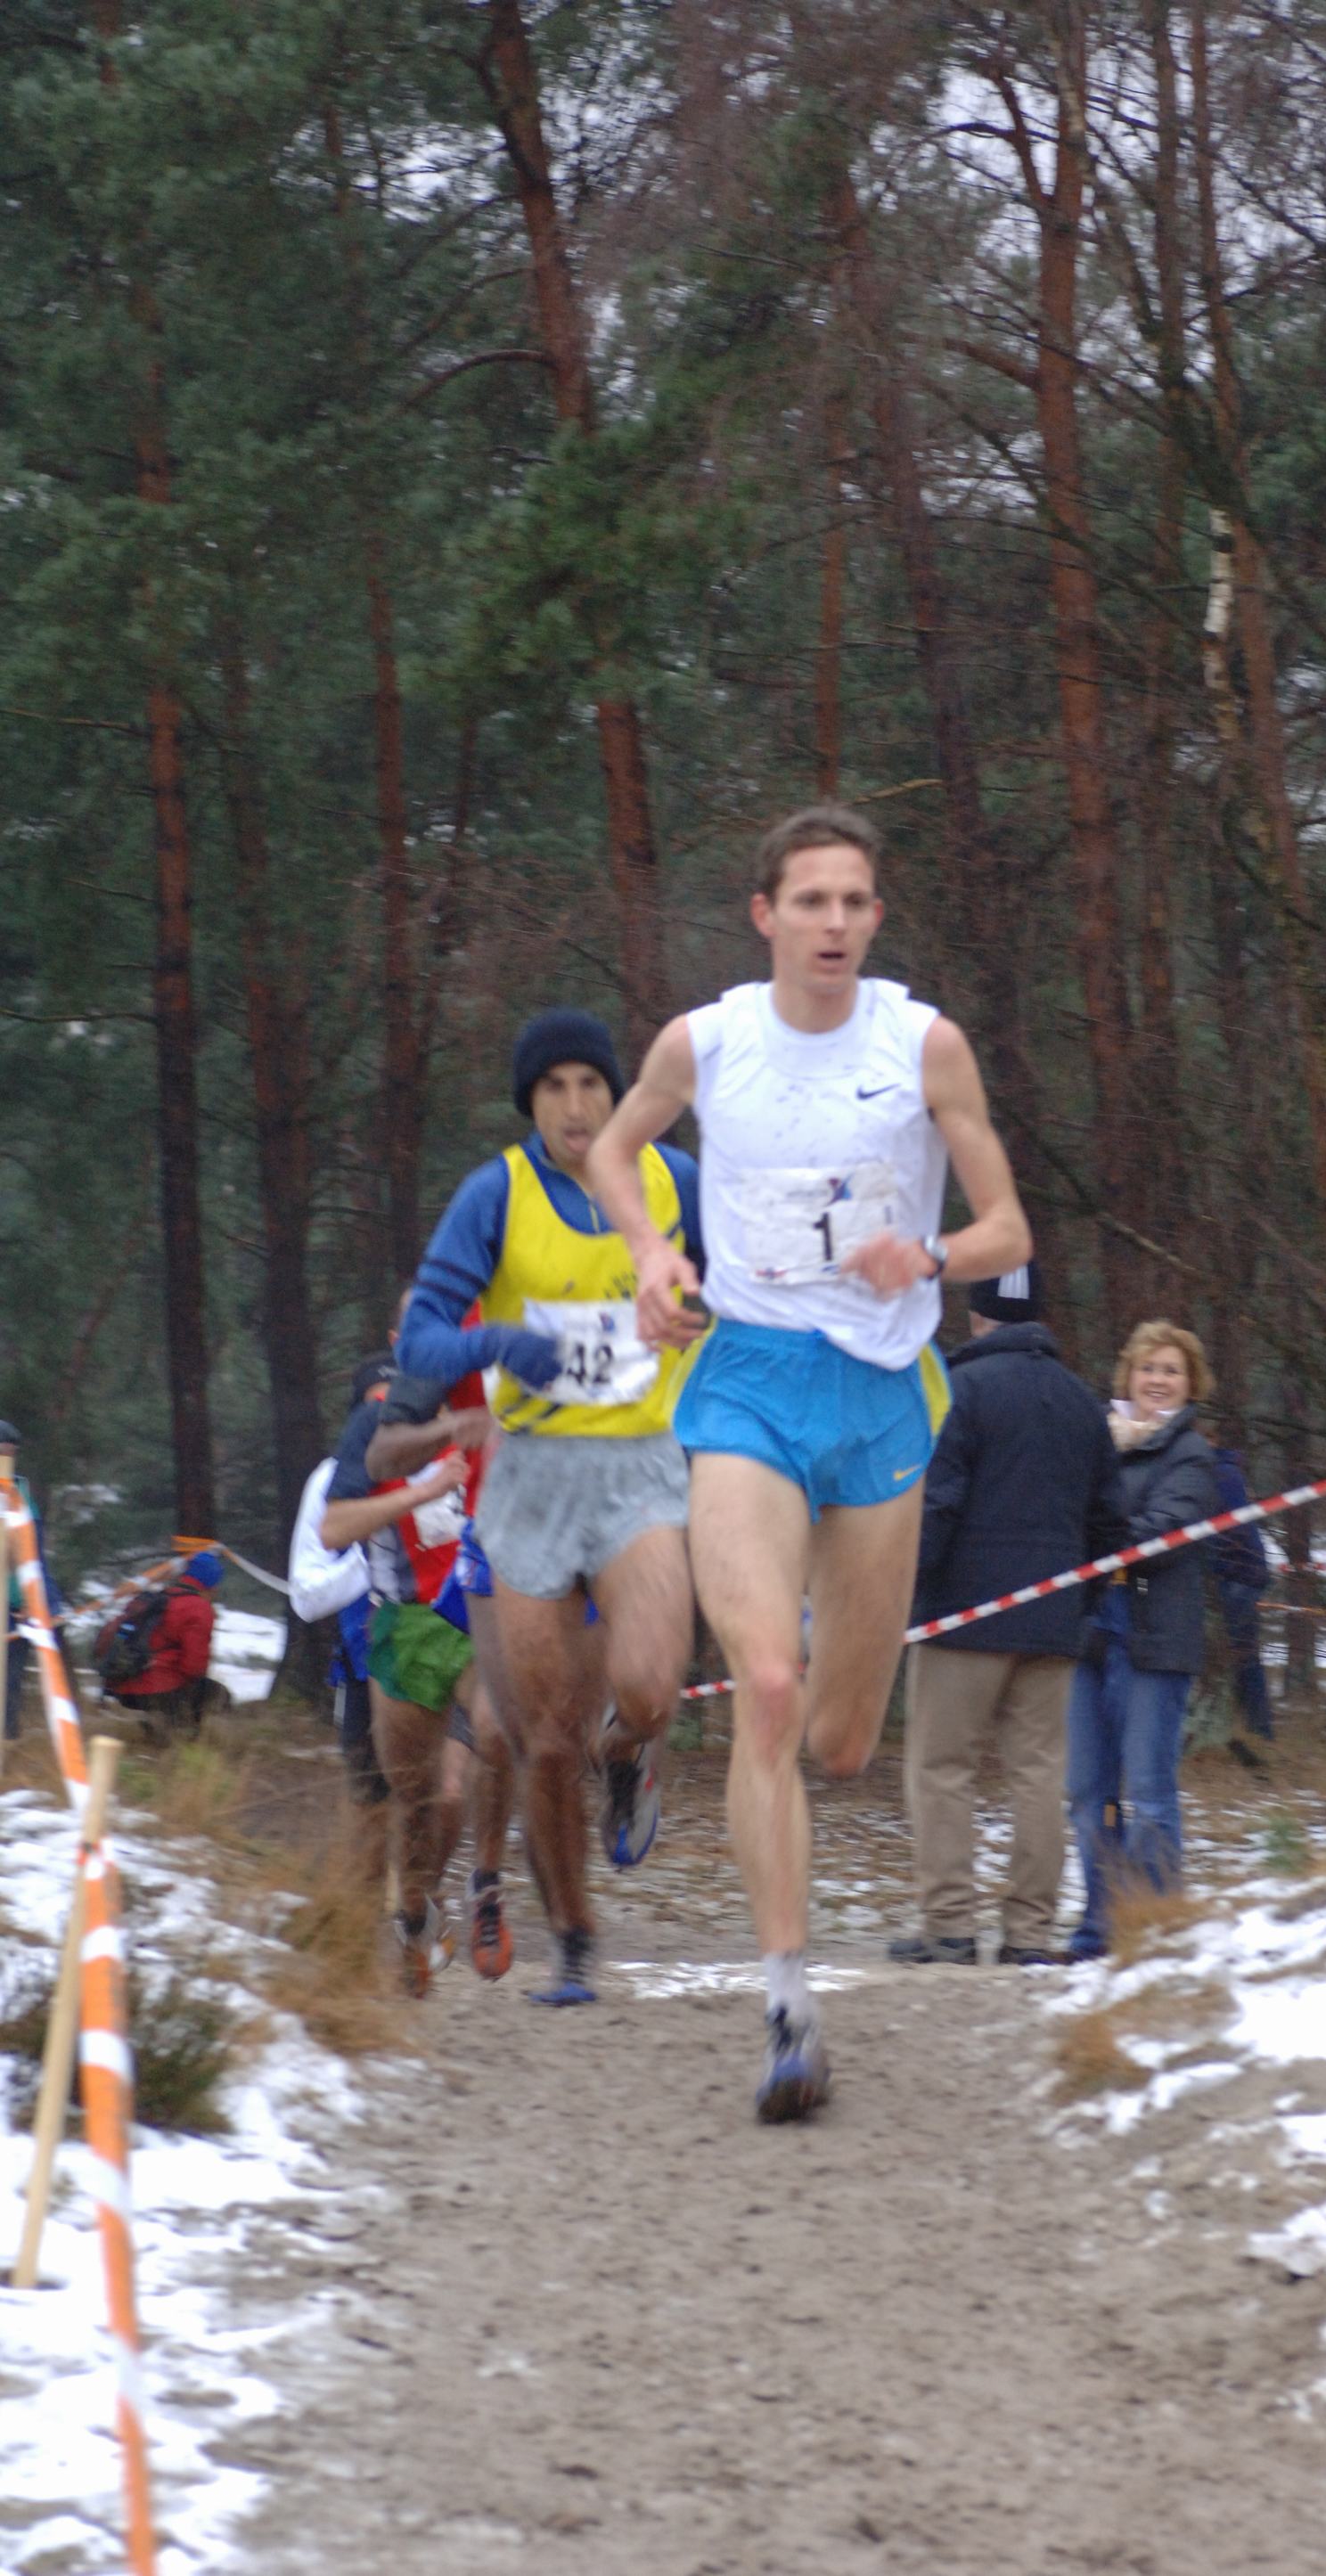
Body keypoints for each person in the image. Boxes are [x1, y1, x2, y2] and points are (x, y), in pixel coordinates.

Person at [588, 802, 1031, 2121]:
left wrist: (930, 1254)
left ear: (875, 918)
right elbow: (615, 1146)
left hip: (882, 1397)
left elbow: (1008, 1225)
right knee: (769, 1689)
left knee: (839, 1739)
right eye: (811, 900)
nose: (834, 923)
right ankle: (789, 2011)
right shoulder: (707, 1041)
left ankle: (727, 1726)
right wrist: (652, 1255)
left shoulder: (924, 1043)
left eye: (854, 901)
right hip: (749, 1382)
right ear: (765, 915)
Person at [396, 1010, 702, 2006]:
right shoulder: (495, 1194)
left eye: (591, 1085)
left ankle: (632, 1751)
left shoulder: (674, 1182)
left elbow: (742, 1296)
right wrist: (500, 1345)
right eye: (554, 1088)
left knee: (649, 1684)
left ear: (620, 1094)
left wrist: (699, 1316)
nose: (576, 1107)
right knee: (543, 1732)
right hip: (529, 1476)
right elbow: (420, 1341)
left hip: (639, 1465)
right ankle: (573, 1936)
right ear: (530, 1101)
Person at [889, 1263, 1126, 1968]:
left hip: (961, 1619)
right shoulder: (1082, 1402)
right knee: (1039, 1776)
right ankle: (1029, 1931)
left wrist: (906, 1593)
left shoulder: (959, 1391)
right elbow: (1111, 1523)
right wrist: (1077, 1604)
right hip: (1051, 1624)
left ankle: (950, 1925)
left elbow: (938, 1505)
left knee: (942, 1768)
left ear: (976, 1315)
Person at [319, 1340, 498, 1993]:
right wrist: (421, 1491)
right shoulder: (362, 1443)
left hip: (478, 1620)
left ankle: (488, 1888)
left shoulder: (482, 1412)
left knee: (462, 1779)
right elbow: (329, 1537)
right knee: (417, 1803)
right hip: (403, 1630)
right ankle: (415, 1915)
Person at [1065, 1321, 1220, 1958]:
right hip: (1088, 1634)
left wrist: (1098, 1539)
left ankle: (1152, 1926)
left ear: (1191, 1383)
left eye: (1171, 1370)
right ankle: (1101, 1924)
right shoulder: (1091, 1444)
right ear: (1128, 1374)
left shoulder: (1193, 1454)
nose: (1158, 1380)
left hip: (1154, 1638)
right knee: (1088, 1792)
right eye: (1148, 1367)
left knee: (1149, 1791)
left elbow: (1164, 1532)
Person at [104, 1550, 224, 1741]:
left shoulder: (160, 1597)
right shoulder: (198, 1608)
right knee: (215, 1693)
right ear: (210, 1582)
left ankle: (159, 1726)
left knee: (182, 1684)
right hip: (154, 1690)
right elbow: (194, 1667)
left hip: (121, 1685)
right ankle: (179, 1738)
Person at [1, 1421, 66, 1744]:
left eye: (10, 1453)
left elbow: (35, 1557)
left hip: (15, 1606)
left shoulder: (21, 1495)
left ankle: (7, 1741)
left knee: (10, 1679)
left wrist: (39, 1601)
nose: (8, 1458)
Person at [1209, 1440, 1275, 1741]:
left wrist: (1212, 1561)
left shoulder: (1220, 1474)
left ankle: (1258, 1728)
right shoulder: (1224, 1471)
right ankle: (1257, 1727)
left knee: (1240, 1654)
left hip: (1237, 1574)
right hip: (1241, 1572)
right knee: (1243, 1653)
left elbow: (1232, 1529)